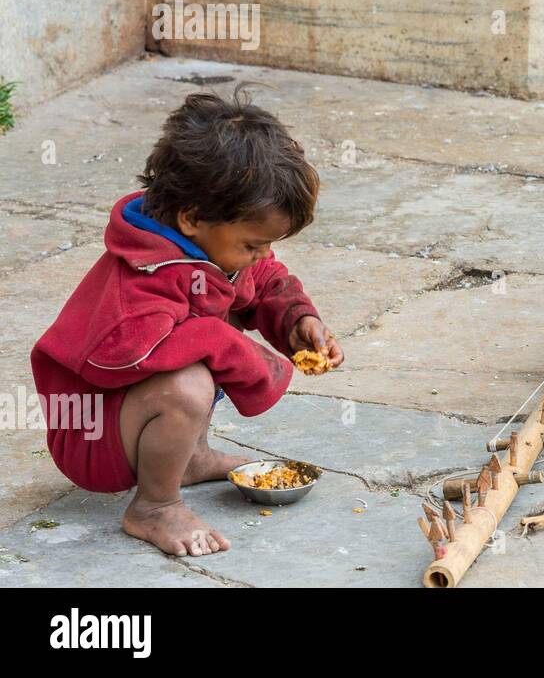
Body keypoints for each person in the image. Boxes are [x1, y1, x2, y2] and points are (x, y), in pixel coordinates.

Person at [31, 85, 344, 555]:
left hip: (127, 416)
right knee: (188, 380)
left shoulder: (209, 245)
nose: (261, 254)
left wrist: (297, 319)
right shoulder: (143, 276)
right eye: (252, 243)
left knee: (216, 326)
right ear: (193, 217)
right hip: (92, 433)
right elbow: (126, 359)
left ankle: (189, 458)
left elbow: (264, 279)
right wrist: (236, 350)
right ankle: (154, 506)